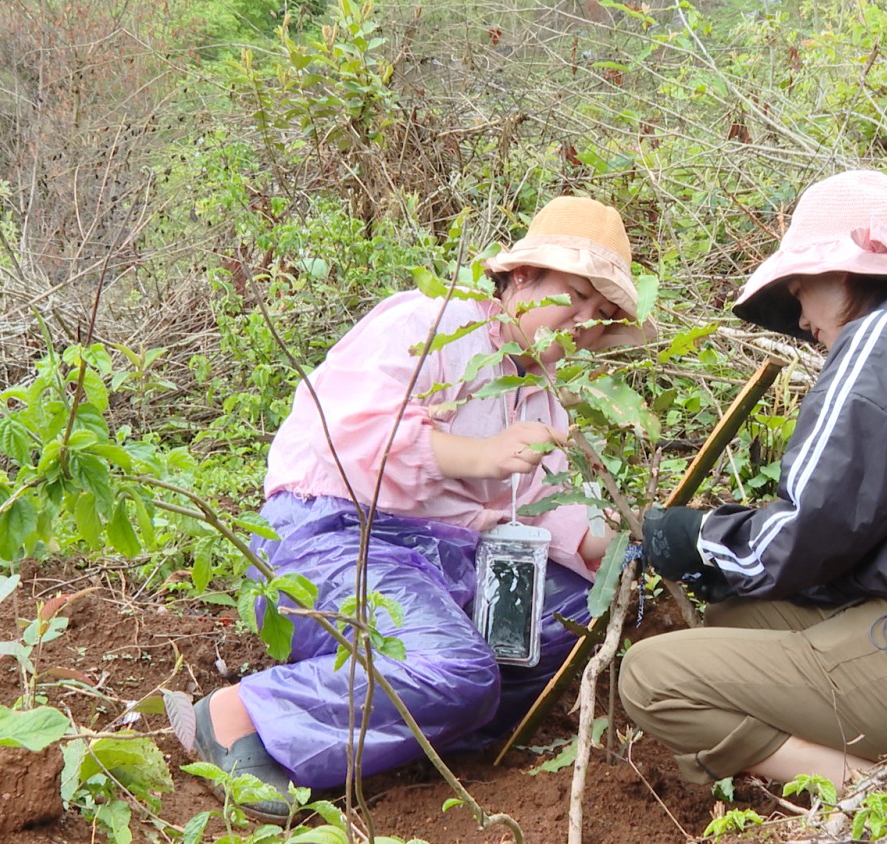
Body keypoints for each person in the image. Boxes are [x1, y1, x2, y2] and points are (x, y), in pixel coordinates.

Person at [178, 197, 651, 821]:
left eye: (600, 313)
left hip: (446, 559)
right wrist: (480, 455)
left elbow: (544, 507)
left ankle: (426, 710)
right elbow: (351, 438)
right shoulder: (435, 323)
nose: (584, 323)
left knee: (577, 615)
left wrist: (620, 541)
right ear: (521, 278)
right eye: (576, 295)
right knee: (456, 667)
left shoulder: (541, 395)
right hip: (335, 535)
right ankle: (241, 715)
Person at [620, 170, 887, 789]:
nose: (800, 316)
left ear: (846, 274)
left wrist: (699, 539)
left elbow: (814, 524)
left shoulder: (885, 337)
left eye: (800, 289)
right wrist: (719, 558)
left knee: (651, 675)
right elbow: (857, 524)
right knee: (732, 618)